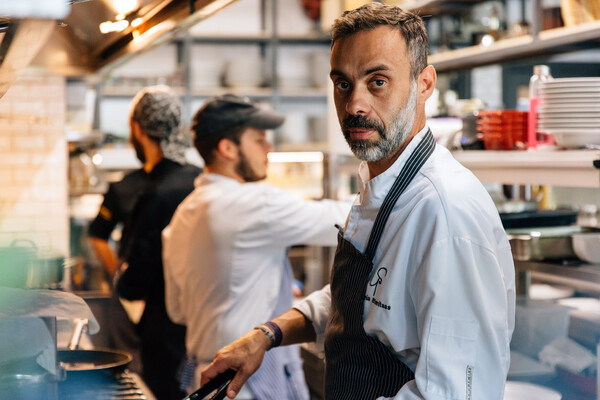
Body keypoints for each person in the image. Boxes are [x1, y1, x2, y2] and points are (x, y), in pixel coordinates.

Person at [201, 4, 516, 400]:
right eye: (343, 84)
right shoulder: (381, 180)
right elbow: (362, 298)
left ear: (424, 83)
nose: (354, 106)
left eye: (378, 81)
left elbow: (454, 394)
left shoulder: (444, 213)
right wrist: (267, 334)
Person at [162, 94, 351, 400]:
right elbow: (344, 221)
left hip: (202, 377)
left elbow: (178, 311)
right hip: (246, 383)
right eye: (259, 139)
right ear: (227, 148)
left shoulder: (181, 216)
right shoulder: (254, 202)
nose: (269, 149)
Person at [115, 85, 202, 400]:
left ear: (138, 130)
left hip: (166, 339)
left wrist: (121, 274)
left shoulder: (154, 192)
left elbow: (133, 284)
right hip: (206, 330)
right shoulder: (202, 178)